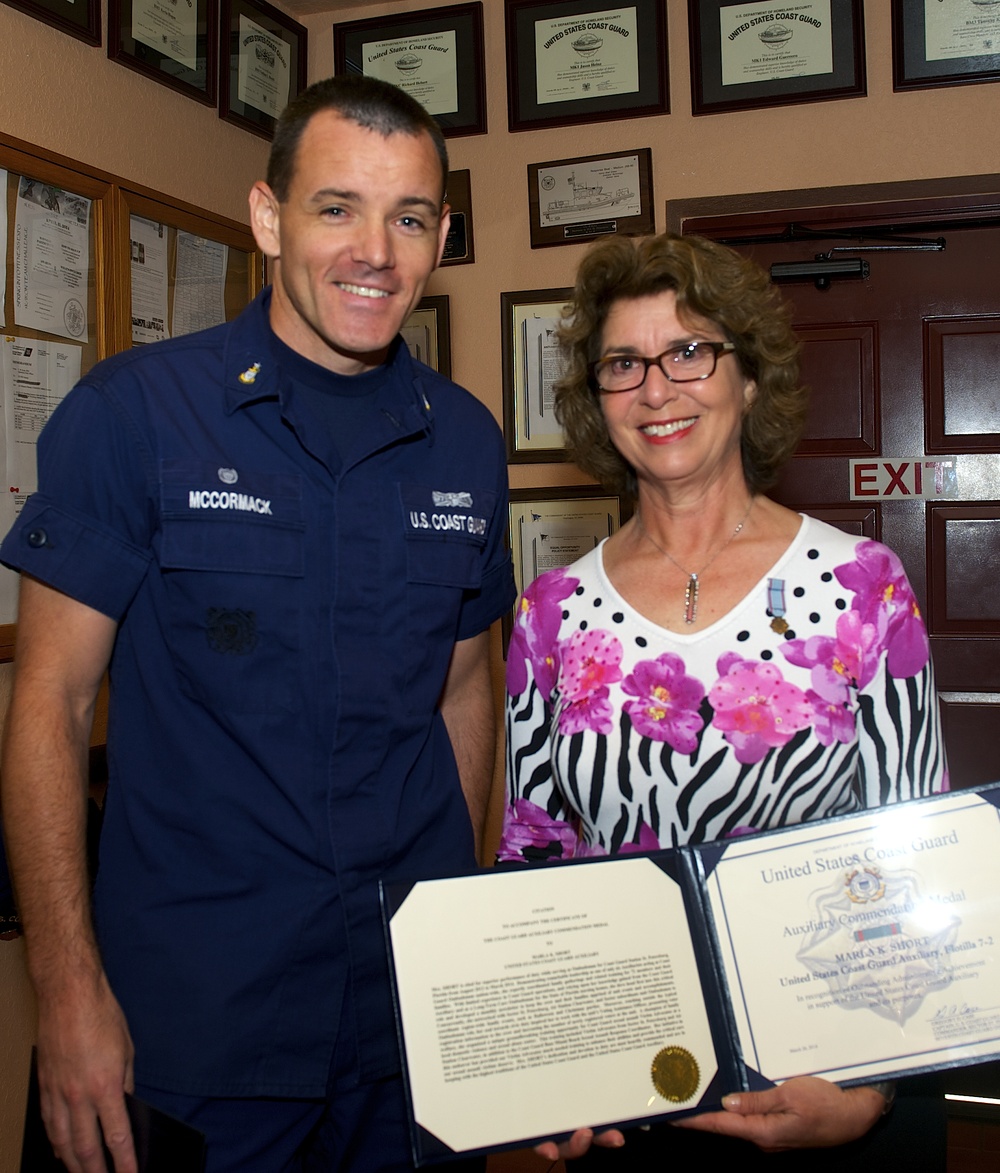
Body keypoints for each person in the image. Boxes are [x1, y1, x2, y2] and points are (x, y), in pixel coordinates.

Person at [0, 75, 514, 1173]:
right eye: (338, 208)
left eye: (410, 217)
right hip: (196, 1023)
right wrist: (66, 987)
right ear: (269, 217)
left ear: (439, 238)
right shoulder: (133, 413)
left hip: (402, 1026)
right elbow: (49, 699)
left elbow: (465, 693)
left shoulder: (467, 443)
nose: (376, 249)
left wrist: (460, 941)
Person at [500, 233, 948, 1168]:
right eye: (624, 362)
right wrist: (540, 1061)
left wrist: (868, 1095)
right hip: (631, 1094)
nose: (657, 388)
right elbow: (534, 855)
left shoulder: (863, 584)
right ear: (597, 397)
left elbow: (919, 854)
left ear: (749, 380)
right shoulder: (549, 615)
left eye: (691, 351)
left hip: (831, 1081)